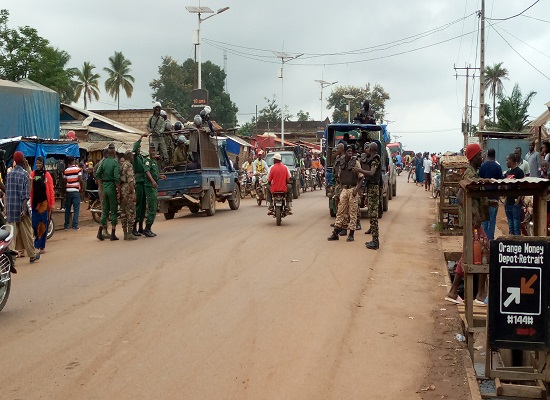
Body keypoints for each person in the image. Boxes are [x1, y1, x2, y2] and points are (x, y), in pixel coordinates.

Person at [446, 143, 488, 304]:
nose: (481, 157)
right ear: (474, 157)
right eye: (479, 155)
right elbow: (460, 197)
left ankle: (456, 290)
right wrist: (475, 213)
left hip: (473, 221)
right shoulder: (469, 174)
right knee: (485, 249)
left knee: (470, 253)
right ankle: (480, 293)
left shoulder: (472, 173)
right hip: (472, 221)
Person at [6, 151, 38, 262]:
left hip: (10, 208)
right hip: (21, 208)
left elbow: (7, 193)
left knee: (11, 235)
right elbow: (25, 195)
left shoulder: (9, 174)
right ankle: (32, 254)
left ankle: (11, 259)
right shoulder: (25, 174)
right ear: (22, 160)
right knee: (27, 233)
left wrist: (6, 208)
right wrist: (24, 210)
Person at [328, 146, 363, 242]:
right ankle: (336, 232)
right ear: (345, 152)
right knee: (340, 211)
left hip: (352, 189)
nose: (350, 153)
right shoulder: (341, 162)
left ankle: (351, 234)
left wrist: (357, 189)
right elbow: (339, 175)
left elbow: (361, 177)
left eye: (351, 151)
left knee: (353, 212)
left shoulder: (356, 162)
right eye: (348, 151)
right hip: (344, 189)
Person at [354, 142, 381, 250]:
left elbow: (371, 173)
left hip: (373, 188)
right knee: (371, 212)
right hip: (371, 187)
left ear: (372, 149)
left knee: (373, 214)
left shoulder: (375, 159)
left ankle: (375, 241)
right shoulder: (372, 158)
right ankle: (374, 238)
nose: (367, 149)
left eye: (369, 148)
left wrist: (359, 170)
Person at [30, 156, 55, 255]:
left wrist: (52, 203)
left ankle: (42, 246)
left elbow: (51, 190)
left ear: (43, 164)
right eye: (37, 163)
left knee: (44, 224)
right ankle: (37, 242)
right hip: (35, 203)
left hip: (44, 203)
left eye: (40, 163)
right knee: (35, 224)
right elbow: (30, 188)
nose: (38, 164)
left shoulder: (47, 175)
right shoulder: (33, 174)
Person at [95, 143, 120, 241]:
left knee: (105, 211)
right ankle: (113, 233)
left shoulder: (103, 162)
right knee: (113, 211)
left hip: (104, 187)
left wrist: (101, 182)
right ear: (113, 152)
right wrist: (118, 190)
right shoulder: (115, 162)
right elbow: (116, 178)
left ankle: (99, 232)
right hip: (111, 187)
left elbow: (97, 174)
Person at [479, 148, 503, 240]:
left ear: (488, 155)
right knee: (492, 220)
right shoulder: (498, 166)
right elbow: (500, 183)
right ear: (494, 155)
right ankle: (490, 240)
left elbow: (479, 180)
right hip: (494, 197)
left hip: (484, 197)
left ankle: (484, 240)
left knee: (484, 220)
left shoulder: (483, 166)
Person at [143, 141, 166, 237]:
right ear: (148, 151)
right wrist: (153, 181)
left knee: (154, 207)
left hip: (154, 187)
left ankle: (149, 228)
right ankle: (147, 228)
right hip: (150, 186)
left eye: (154, 150)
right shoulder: (148, 160)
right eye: (151, 150)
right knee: (152, 207)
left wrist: (160, 176)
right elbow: (147, 171)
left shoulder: (154, 161)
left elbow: (153, 173)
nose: (153, 152)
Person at [503, 152, 525, 236]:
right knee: (511, 227)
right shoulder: (508, 172)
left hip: (515, 203)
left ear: (511, 160)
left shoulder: (519, 172)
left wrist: (518, 201)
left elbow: (522, 188)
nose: (506, 162)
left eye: (507, 160)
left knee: (516, 227)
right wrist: (505, 200)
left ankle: (517, 244)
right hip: (508, 202)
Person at [119, 151, 138, 241]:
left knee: (123, 212)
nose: (133, 158)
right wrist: (133, 193)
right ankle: (129, 233)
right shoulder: (129, 165)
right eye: (132, 156)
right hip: (128, 189)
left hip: (122, 189)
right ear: (130, 157)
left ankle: (125, 233)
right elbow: (130, 180)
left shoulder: (122, 165)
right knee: (131, 211)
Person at [63, 156, 84, 230]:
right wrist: (81, 189)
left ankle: (66, 226)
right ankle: (74, 226)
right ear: (74, 161)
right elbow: (81, 180)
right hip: (75, 191)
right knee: (76, 209)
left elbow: (64, 181)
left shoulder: (66, 171)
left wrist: (65, 191)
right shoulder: (78, 170)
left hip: (68, 191)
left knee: (67, 209)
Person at [133, 135, 147, 236]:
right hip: (138, 183)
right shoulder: (135, 158)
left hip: (144, 182)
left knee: (143, 205)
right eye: (138, 149)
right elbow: (134, 148)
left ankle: (141, 227)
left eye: (139, 149)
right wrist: (141, 137)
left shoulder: (142, 158)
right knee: (138, 205)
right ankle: (134, 227)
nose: (138, 150)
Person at [147, 102, 168, 166]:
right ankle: (153, 164)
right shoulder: (151, 119)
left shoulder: (162, 119)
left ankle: (166, 164)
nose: (157, 111)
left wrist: (160, 132)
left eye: (159, 109)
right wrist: (151, 131)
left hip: (160, 137)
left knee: (165, 152)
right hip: (154, 138)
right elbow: (148, 126)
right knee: (153, 152)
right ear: (154, 110)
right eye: (156, 109)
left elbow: (163, 127)